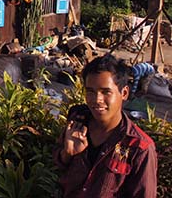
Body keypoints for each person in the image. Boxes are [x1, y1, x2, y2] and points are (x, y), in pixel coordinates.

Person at [54, 54, 157, 197]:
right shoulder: (77, 121)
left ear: (124, 93)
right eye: (90, 91)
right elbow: (59, 167)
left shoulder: (139, 147)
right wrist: (67, 154)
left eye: (106, 92)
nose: (97, 100)